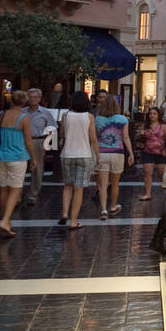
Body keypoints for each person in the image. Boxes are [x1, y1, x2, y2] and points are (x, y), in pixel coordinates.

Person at [0, 92, 35, 238]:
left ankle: (7, 220)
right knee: (15, 190)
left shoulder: (0, 115)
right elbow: (29, 142)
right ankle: (5, 221)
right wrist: (33, 159)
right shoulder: (24, 118)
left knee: (4, 190)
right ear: (24, 103)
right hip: (17, 156)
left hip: (0, 156)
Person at [58, 91, 97, 230]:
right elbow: (92, 138)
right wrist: (98, 155)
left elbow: (62, 134)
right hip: (84, 154)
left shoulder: (65, 115)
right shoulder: (89, 117)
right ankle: (73, 221)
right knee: (78, 188)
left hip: (67, 153)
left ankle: (64, 213)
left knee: (67, 185)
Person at [95, 94, 133, 218]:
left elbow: (95, 138)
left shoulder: (98, 119)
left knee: (102, 185)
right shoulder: (123, 119)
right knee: (115, 183)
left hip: (102, 153)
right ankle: (113, 206)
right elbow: (126, 137)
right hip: (117, 153)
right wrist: (131, 153)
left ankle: (103, 210)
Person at [23, 88, 56, 205]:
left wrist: (47, 145)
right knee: (20, 167)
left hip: (38, 141)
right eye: (30, 97)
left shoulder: (45, 112)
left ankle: (33, 194)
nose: (33, 99)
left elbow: (52, 129)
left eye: (35, 97)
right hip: (23, 141)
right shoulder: (22, 112)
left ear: (39, 99)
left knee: (37, 169)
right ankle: (17, 195)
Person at [137, 107, 166, 202]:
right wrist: (141, 134)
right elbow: (139, 138)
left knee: (162, 174)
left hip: (161, 152)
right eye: (150, 113)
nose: (152, 115)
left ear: (158, 115)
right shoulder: (145, 126)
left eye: (154, 113)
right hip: (148, 152)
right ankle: (148, 194)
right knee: (147, 173)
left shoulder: (163, 126)